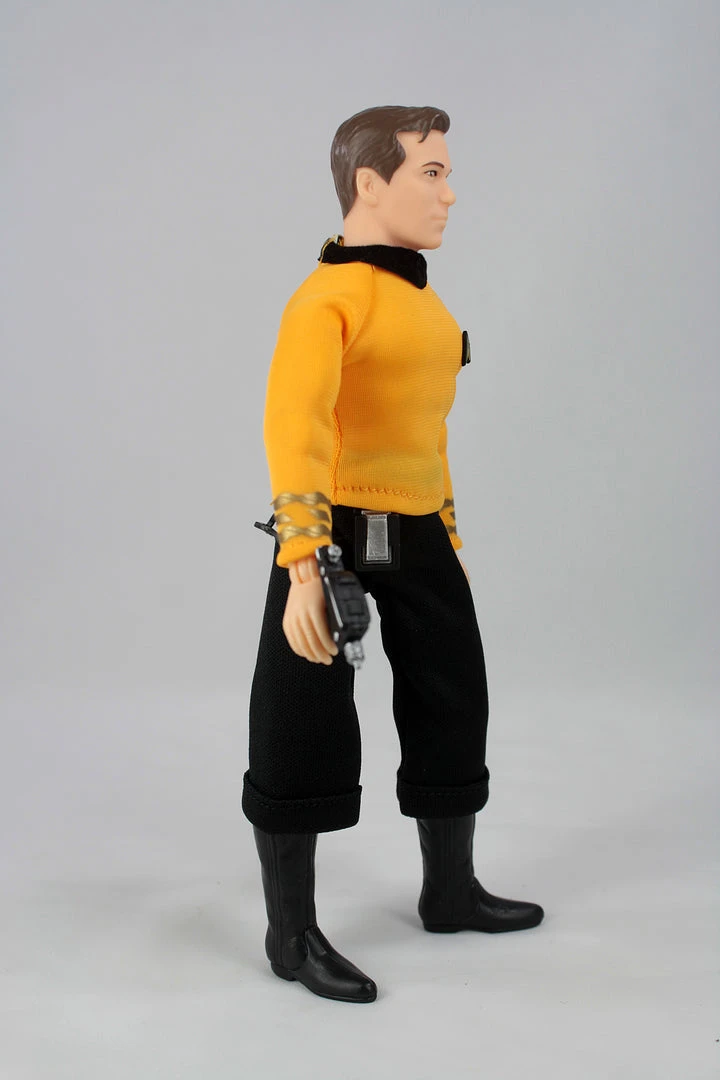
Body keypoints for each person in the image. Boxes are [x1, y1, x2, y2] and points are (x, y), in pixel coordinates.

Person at [242, 105, 543, 1004]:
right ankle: (291, 933)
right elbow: (294, 426)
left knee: (454, 693)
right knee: (301, 716)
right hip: (333, 530)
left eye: (448, 174)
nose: (450, 194)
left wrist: (446, 529)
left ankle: (449, 889)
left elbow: (425, 431)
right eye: (432, 173)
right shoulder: (327, 298)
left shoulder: (423, 300)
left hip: (416, 529)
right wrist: (303, 561)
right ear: (370, 184)